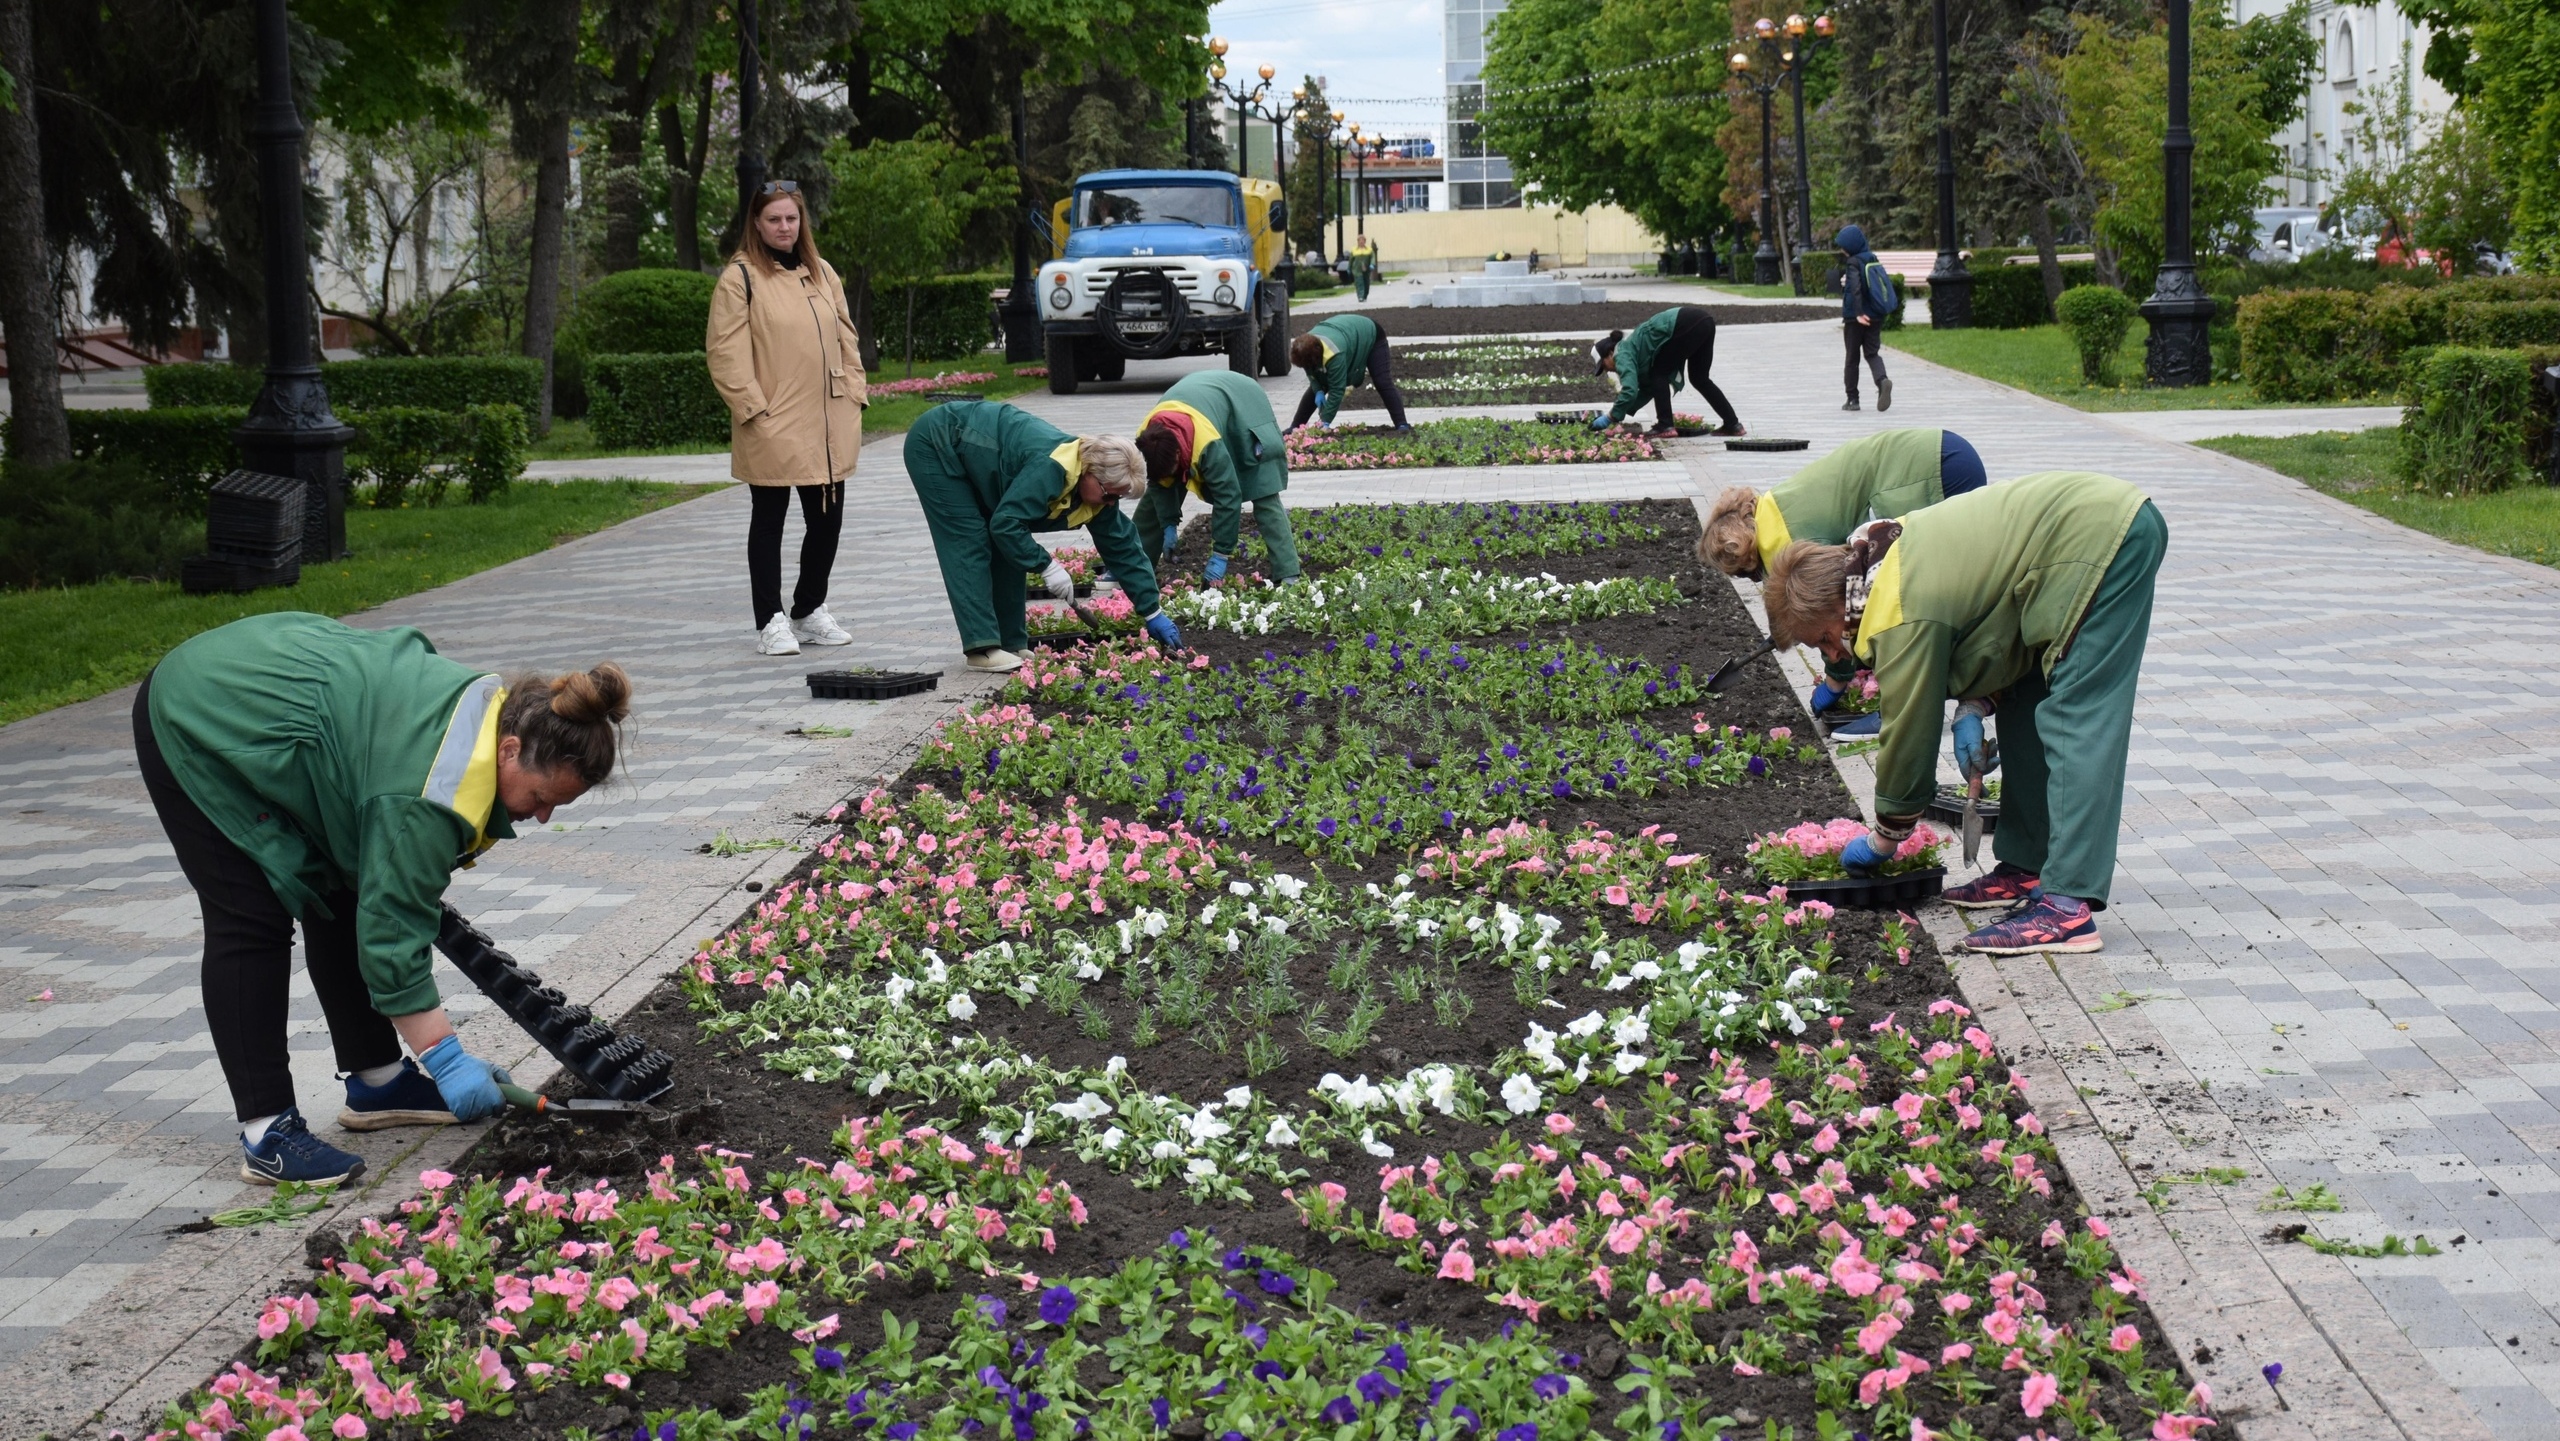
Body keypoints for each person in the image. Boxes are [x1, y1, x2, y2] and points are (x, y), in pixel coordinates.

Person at [136, 613, 631, 1184]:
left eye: (555, 809)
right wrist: (444, 1055)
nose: (540, 816)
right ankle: (266, 1132)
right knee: (251, 921)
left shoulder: (492, 721)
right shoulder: (425, 795)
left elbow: (381, 898)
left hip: (277, 690)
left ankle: (377, 1082)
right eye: (542, 797)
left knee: (345, 890)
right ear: (511, 750)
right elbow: (391, 936)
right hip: (204, 710)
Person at [1759, 472, 2166, 956]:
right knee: (2024, 702)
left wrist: (1886, 838)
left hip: (2099, 541)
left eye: (1823, 638)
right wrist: (1977, 703)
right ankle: (2026, 866)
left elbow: (1908, 730)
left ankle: (2067, 907)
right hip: (2072, 544)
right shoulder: (1876, 562)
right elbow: (1995, 618)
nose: (1835, 652)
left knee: (2074, 716)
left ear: (1833, 606)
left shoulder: (1896, 606)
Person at [1700, 427, 1988, 728]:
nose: (1755, 581)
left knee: (1916, 604)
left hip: (1929, 476)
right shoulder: (1774, 511)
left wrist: (1836, 680)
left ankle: (1899, 711)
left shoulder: (1789, 545)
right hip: (1942, 450)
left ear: (1745, 560)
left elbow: (1839, 605)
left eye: (1744, 575)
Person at [708, 179, 868, 658]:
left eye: (791, 218)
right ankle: (770, 620)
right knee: (769, 520)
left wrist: (855, 391)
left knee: (827, 522)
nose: (784, 227)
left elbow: (847, 337)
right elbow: (724, 352)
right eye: (774, 218)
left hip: (828, 422)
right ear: (756, 223)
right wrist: (754, 408)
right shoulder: (740, 278)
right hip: (772, 419)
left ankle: (808, 608)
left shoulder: (822, 272)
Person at [906, 401, 1182, 672]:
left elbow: (1124, 549)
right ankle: (982, 649)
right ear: (1089, 472)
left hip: (980, 461)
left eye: (1118, 497)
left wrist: (1152, 612)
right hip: (940, 443)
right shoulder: (1051, 468)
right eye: (1109, 494)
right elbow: (1007, 523)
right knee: (969, 540)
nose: (1111, 502)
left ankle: (1011, 643)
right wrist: (1046, 565)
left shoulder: (1097, 493)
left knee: (1008, 547)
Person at [1133, 369, 1301, 586]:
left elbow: (1228, 497)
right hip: (1203, 399)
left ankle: (1288, 572)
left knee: (1263, 489)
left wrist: (1220, 555)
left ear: (1178, 452)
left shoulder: (1206, 443)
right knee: (1155, 496)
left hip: (1244, 400)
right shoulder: (1149, 437)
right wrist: (1168, 525)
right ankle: (1133, 565)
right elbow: (1160, 484)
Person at [1590, 307, 1744, 440]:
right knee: (1699, 378)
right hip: (1704, 321)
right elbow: (1648, 389)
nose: (1607, 371)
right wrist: (1620, 412)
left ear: (1609, 353)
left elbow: (1630, 390)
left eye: (1604, 366)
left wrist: (1610, 417)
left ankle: (1665, 425)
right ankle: (1733, 424)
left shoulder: (1621, 354)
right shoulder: (1634, 351)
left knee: (1659, 373)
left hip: (1683, 324)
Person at [1289, 313, 1411, 431]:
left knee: (1382, 381)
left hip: (1370, 334)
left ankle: (1401, 424)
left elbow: (1337, 389)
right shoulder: (1303, 349)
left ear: (1317, 356)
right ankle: (1295, 427)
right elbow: (1312, 374)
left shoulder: (1335, 353)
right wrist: (1318, 391)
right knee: (1319, 386)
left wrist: (1325, 421)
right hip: (1345, 331)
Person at [1835, 224, 1894, 412]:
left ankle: (1853, 399)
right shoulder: (1872, 258)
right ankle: (1882, 380)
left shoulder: (1853, 262)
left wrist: (1859, 313)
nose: (1841, 250)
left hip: (1856, 317)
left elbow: (1856, 288)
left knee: (1852, 358)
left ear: (1850, 246)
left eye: (1843, 246)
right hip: (1876, 315)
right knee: (1872, 353)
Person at [1349, 233, 1378, 302]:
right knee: (1359, 282)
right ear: (1358, 241)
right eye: (1360, 240)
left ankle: (1365, 295)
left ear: (1365, 241)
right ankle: (1360, 296)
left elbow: (1372, 258)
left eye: (1363, 240)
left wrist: (1372, 264)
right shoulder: (1354, 250)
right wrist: (1349, 267)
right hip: (1357, 270)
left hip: (1366, 269)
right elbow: (1351, 260)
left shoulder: (1369, 250)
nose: (1361, 242)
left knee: (1366, 283)